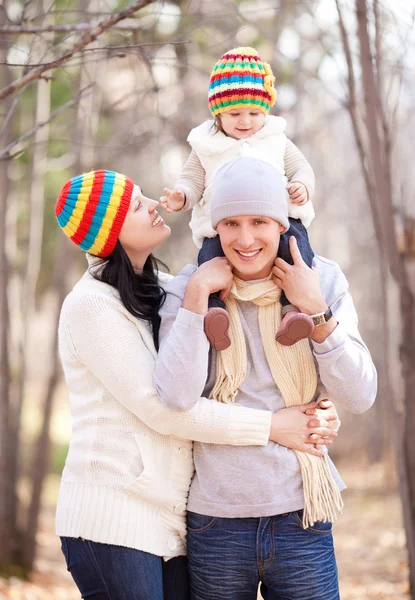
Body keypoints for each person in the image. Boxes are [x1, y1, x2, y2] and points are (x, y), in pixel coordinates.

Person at [54, 169, 338, 600]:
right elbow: (160, 407)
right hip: (111, 517)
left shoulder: (161, 290)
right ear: (109, 233)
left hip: (167, 519)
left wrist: (315, 409)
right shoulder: (91, 306)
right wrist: (273, 426)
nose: (153, 204)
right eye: (135, 204)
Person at [154, 157, 377, 600]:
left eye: (259, 221)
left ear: (283, 224)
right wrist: (199, 295)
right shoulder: (188, 287)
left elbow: (360, 395)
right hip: (216, 522)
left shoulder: (322, 279)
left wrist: (315, 311)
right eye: (231, 223)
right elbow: (175, 396)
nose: (245, 238)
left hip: (303, 515)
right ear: (215, 229)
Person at [160, 46, 316, 350]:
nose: (245, 121)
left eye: (254, 113)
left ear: (266, 111)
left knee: (298, 252)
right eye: (235, 113)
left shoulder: (275, 138)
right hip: (221, 223)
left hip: (279, 219)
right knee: (210, 258)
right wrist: (182, 196)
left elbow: (301, 167)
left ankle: (293, 311)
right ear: (218, 111)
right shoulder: (206, 144)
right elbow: (192, 178)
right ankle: (215, 312)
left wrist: (301, 184)